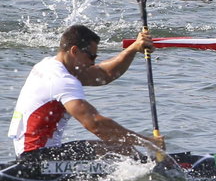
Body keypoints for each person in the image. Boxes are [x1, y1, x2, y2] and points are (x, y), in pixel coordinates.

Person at [8, 24, 162, 159]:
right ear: (74, 50)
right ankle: (154, 170)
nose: (93, 62)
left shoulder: (49, 65)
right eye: (91, 56)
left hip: (30, 152)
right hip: (37, 158)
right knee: (121, 150)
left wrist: (133, 48)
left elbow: (103, 74)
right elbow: (95, 124)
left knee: (121, 150)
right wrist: (147, 142)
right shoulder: (61, 80)